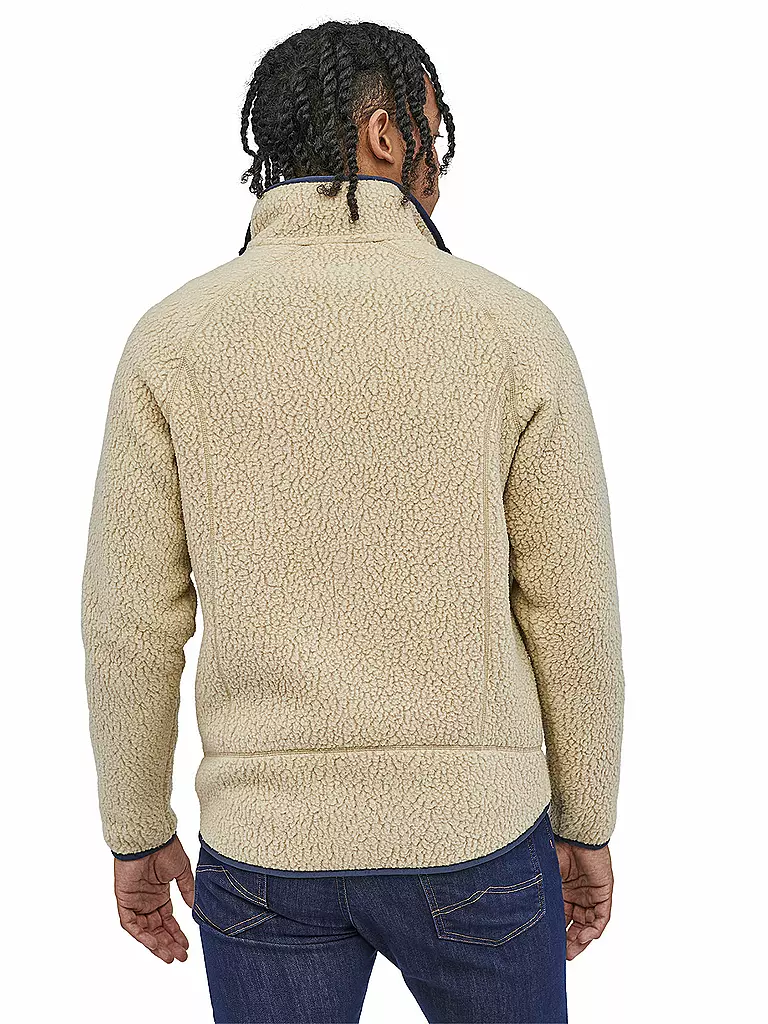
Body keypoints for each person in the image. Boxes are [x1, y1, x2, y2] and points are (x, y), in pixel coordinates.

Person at [81, 20, 625, 1024]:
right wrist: (587, 821)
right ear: (383, 134)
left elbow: (130, 622)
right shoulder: (510, 327)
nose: (439, 163)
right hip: (475, 835)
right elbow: (572, 605)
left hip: (265, 846)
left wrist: (135, 827)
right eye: (432, 131)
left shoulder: (173, 338)